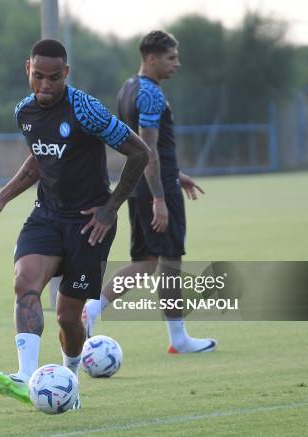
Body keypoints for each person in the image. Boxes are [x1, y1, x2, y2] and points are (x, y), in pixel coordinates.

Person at [0, 39, 162, 408]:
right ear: (26, 68)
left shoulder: (85, 110)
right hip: (45, 216)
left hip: (89, 224)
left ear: (67, 74)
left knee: (67, 316)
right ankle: (26, 377)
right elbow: (38, 161)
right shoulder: (24, 112)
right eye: (38, 76)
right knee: (25, 283)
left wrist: (110, 208)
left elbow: (141, 152)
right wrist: (0, 198)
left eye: (54, 78)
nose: (45, 86)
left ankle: (69, 379)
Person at [83, 30, 217, 354]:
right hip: (155, 189)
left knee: (146, 262)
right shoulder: (151, 94)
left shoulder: (128, 88)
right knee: (168, 262)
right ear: (151, 58)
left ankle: (92, 309)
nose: (177, 64)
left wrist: (176, 174)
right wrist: (160, 196)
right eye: (171, 57)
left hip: (141, 185)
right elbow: (150, 149)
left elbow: (140, 151)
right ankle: (178, 339)